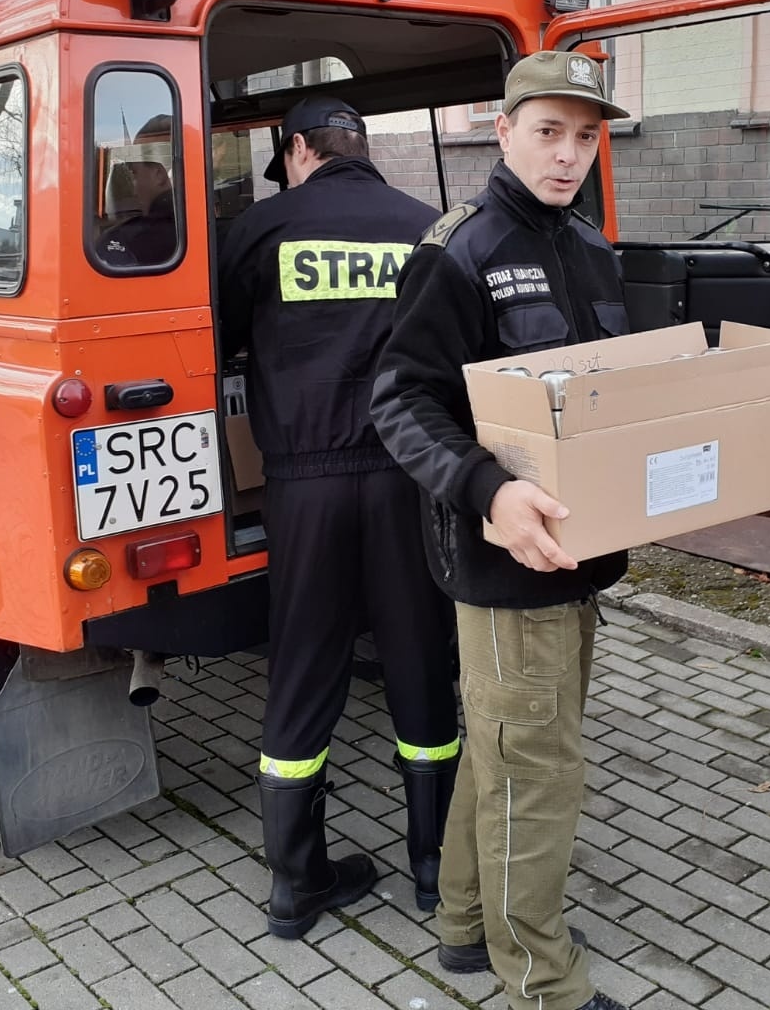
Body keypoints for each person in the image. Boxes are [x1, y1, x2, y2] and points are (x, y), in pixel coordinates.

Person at [370, 51, 632, 1010]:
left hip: (581, 553)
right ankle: (542, 980)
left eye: (585, 137)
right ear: (504, 128)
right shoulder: (460, 249)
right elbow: (400, 401)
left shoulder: (592, 247)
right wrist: (487, 492)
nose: (568, 155)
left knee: (505, 754)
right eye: (549, 132)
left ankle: (467, 922)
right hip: (504, 562)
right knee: (539, 772)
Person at [217, 95, 461, 940]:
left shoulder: (260, 229)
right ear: (360, 147)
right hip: (408, 479)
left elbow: (218, 339)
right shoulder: (426, 227)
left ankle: (296, 885)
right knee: (420, 661)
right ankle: (436, 870)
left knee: (302, 668)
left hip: (303, 486)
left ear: (296, 151)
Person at [102, 115, 180, 266]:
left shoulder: (121, 241)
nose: (134, 190)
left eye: (134, 174)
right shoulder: (214, 228)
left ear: (158, 175)